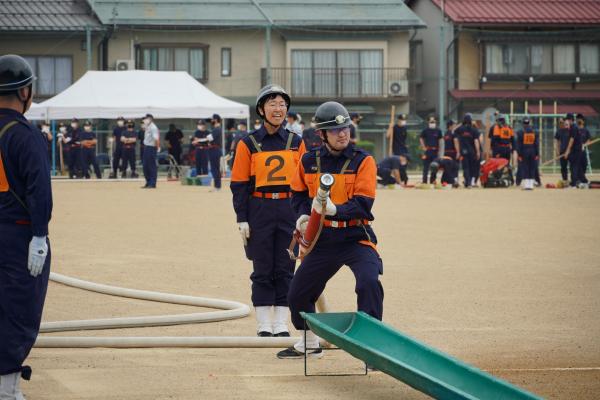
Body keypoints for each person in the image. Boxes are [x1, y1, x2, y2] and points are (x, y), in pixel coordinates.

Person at [278, 101, 383, 359]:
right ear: (322, 134)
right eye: (335, 131)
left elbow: (364, 204)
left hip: (355, 237)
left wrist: (336, 210)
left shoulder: (363, 161)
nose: (343, 133)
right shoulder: (308, 160)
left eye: (346, 128)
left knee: (369, 282)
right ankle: (309, 342)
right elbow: (298, 193)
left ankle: (371, 346)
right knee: (298, 293)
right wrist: (303, 215)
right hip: (322, 239)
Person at [230, 85, 306, 337]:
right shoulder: (248, 143)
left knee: (286, 266)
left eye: (282, 104)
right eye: (272, 103)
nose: (278, 109)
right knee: (262, 266)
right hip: (259, 208)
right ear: (261, 110)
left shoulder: (297, 142)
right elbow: (239, 183)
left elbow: (307, 181)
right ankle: (263, 323)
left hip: (289, 208)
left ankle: (281, 323)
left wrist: (305, 214)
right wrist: (242, 218)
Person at [0, 54, 52, 400]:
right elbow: (39, 190)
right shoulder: (23, 134)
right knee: (18, 309)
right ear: (25, 93)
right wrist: (39, 234)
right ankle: (7, 387)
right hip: (17, 236)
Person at [454, 113, 481, 188]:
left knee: (465, 168)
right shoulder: (474, 130)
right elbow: (476, 141)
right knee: (472, 167)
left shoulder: (460, 129)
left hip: (463, 152)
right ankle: (470, 182)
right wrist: (478, 152)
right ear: (471, 120)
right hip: (472, 152)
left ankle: (468, 183)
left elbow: (454, 135)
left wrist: (458, 151)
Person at [516, 117, 539, 190]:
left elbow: (519, 144)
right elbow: (536, 144)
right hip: (532, 151)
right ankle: (531, 185)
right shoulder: (534, 132)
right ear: (529, 123)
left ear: (523, 123)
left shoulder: (520, 132)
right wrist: (537, 154)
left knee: (525, 167)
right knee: (532, 167)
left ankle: (526, 185)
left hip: (524, 151)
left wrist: (519, 154)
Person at [386, 114, 410, 185]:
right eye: (402, 120)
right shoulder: (394, 127)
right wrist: (390, 127)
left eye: (404, 120)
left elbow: (404, 139)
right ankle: (402, 180)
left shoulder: (405, 128)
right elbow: (387, 136)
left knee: (404, 166)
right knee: (398, 166)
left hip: (404, 150)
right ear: (398, 120)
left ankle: (404, 179)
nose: (403, 121)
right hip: (397, 150)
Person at [419, 117, 442, 184]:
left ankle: (432, 181)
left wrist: (440, 151)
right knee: (425, 167)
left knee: (434, 167)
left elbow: (440, 140)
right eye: (431, 122)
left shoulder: (438, 130)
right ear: (428, 122)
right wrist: (423, 147)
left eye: (433, 122)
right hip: (428, 151)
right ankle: (424, 181)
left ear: (435, 122)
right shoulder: (425, 130)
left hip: (435, 151)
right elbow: (421, 138)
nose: (432, 123)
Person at [563, 113, 583, 187]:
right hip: (575, 150)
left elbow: (571, 140)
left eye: (567, 119)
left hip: (576, 150)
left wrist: (567, 152)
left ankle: (574, 183)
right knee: (574, 166)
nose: (566, 121)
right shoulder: (572, 127)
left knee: (574, 166)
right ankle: (579, 181)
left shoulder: (574, 128)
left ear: (571, 120)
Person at [141, 113, 159, 189]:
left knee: (151, 166)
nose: (145, 120)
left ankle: (152, 183)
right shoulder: (147, 127)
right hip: (146, 147)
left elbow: (156, 139)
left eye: (146, 118)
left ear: (150, 119)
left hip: (151, 148)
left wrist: (156, 148)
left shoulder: (153, 127)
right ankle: (148, 182)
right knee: (145, 166)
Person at [208, 114, 223, 191]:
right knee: (214, 169)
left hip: (215, 150)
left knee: (215, 169)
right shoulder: (216, 129)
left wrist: (199, 140)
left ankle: (217, 186)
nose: (211, 121)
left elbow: (209, 139)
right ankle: (217, 186)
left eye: (212, 119)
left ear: (216, 120)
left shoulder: (217, 129)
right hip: (213, 150)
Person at [553, 118, 570, 183]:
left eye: (562, 122)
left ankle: (574, 180)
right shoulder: (558, 131)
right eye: (559, 122)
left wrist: (568, 151)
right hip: (562, 152)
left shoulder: (569, 130)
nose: (560, 124)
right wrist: (557, 151)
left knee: (573, 166)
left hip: (570, 151)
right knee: (563, 167)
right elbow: (556, 141)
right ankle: (565, 180)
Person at [577, 114, 591, 185]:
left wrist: (584, 145)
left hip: (583, 151)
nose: (579, 120)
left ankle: (582, 178)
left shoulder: (586, 131)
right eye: (578, 119)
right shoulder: (575, 129)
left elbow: (589, 140)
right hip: (576, 151)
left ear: (583, 121)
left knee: (584, 164)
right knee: (577, 165)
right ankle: (580, 179)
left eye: (580, 119)